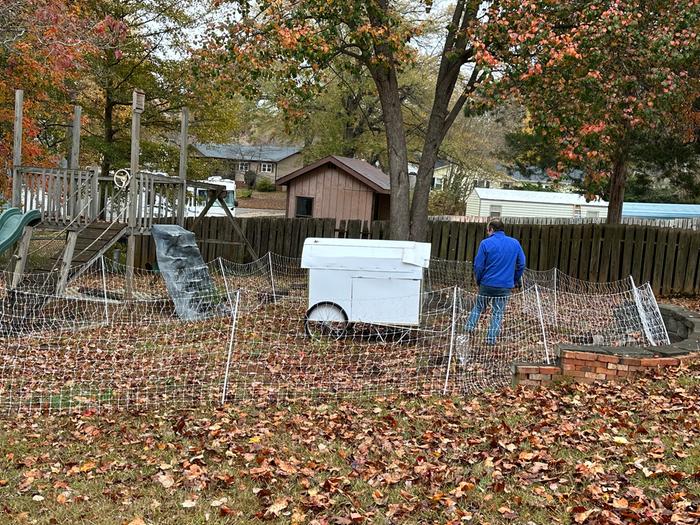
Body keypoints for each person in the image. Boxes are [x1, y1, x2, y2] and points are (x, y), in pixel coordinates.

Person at [465, 218, 526, 345]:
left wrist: (479, 280)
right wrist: (514, 279)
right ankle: (490, 339)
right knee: (497, 313)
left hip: (487, 284)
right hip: (505, 286)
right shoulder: (515, 243)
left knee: (478, 307)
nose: (487, 233)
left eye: (488, 230)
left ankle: (468, 330)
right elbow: (522, 264)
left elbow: (478, 265)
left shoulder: (485, 243)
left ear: (491, 229)